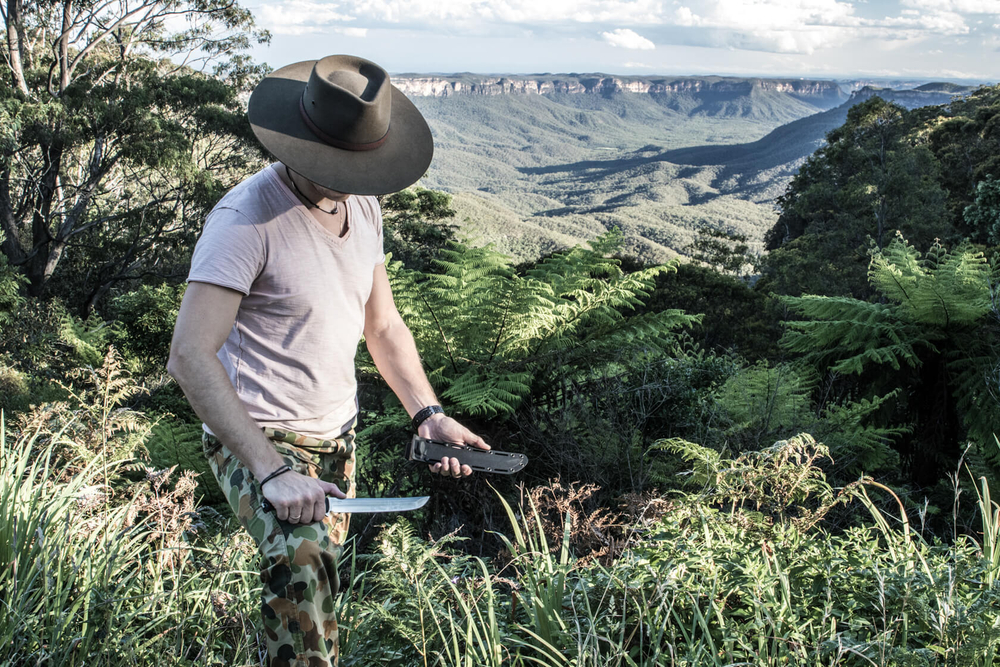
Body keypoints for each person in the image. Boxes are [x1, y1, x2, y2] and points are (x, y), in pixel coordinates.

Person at [167, 54, 489, 667]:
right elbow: (188, 356)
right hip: (259, 434)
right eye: (335, 162)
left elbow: (383, 324)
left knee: (317, 598)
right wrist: (268, 470)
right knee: (305, 560)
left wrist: (428, 414)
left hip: (337, 435)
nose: (346, 176)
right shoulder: (244, 221)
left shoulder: (364, 204)